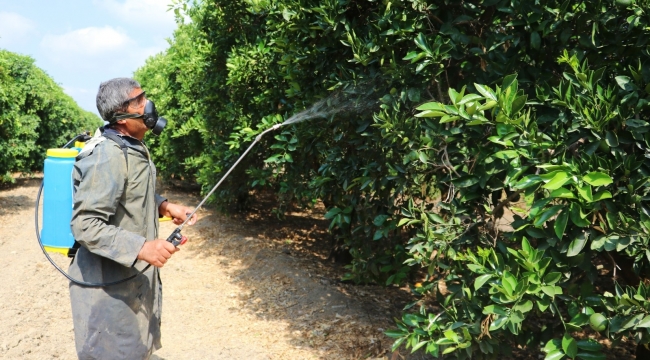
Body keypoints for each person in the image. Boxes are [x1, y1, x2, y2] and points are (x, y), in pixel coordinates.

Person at [68, 77, 197, 359]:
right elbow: (85, 224)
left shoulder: (130, 146)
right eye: (139, 101)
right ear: (123, 116)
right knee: (113, 350)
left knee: (137, 347)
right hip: (106, 288)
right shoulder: (107, 155)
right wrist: (142, 247)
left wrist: (165, 206)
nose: (147, 105)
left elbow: (130, 192)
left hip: (128, 279)